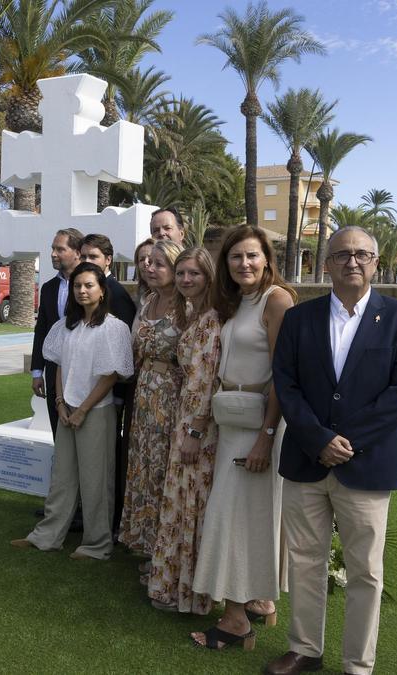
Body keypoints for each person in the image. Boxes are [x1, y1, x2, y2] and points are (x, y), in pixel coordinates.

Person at [264, 227, 397, 675]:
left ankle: (358, 664)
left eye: (362, 254)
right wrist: (318, 440)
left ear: (376, 262)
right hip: (306, 460)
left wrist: (345, 442)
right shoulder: (299, 318)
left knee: (366, 573)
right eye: (342, 255)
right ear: (327, 264)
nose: (352, 262)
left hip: (368, 464)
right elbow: (287, 385)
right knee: (305, 563)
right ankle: (305, 649)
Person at [189, 225, 295, 651]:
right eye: (236, 257)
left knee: (230, 517)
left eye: (252, 256)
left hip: (258, 427)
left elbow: (285, 377)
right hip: (232, 421)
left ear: (267, 258)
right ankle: (258, 601)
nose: (244, 264)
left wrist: (266, 438)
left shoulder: (277, 301)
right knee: (248, 517)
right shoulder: (237, 302)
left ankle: (235, 622)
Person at [11, 262, 133, 559]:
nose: (82, 290)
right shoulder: (67, 325)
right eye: (78, 285)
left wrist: (83, 410)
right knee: (62, 476)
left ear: (102, 290)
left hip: (97, 411)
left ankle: (97, 544)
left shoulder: (113, 328)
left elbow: (111, 376)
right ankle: (48, 535)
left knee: (96, 480)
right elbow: (59, 365)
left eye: (89, 285)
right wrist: (61, 403)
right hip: (67, 408)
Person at [146, 247, 222, 615]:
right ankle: (173, 584)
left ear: (209, 276)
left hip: (198, 427)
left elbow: (208, 381)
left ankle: (192, 592)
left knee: (193, 503)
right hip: (182, 418)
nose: (186, 279)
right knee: (178, 500)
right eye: (181, 273)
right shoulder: (192, 316)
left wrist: (195, 430)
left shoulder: (212, 319)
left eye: (194, 273)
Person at [120, 239, 183, 559]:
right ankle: (143, 543)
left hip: (171, 397)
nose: (150, 268)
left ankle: (164, 550)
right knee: (143, 467)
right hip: (144, 394)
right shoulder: (146, 303)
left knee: (162, 470)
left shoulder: (187, 307)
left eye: (160, 264)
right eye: (149, 263)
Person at [79, 233, 137, 532]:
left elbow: (121, 350)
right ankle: (87, 514)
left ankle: (108, 522)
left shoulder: (116, 294)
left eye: (94, 257)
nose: (88, 262)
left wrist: (114, 397)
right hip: (83, 388)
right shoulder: (86, 288)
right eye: (84, 256)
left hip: (107, 395)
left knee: (104, 462)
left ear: (108, 260)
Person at [30, 228, 84, 434]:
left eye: (60, 249)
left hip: (83, 373)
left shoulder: (92, 286)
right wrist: (37, 372)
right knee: (58, 433)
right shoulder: (49, 288)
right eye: (53, 248)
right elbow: (41, 331)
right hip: (54, 373)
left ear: (77, 252)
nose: (53, 254)